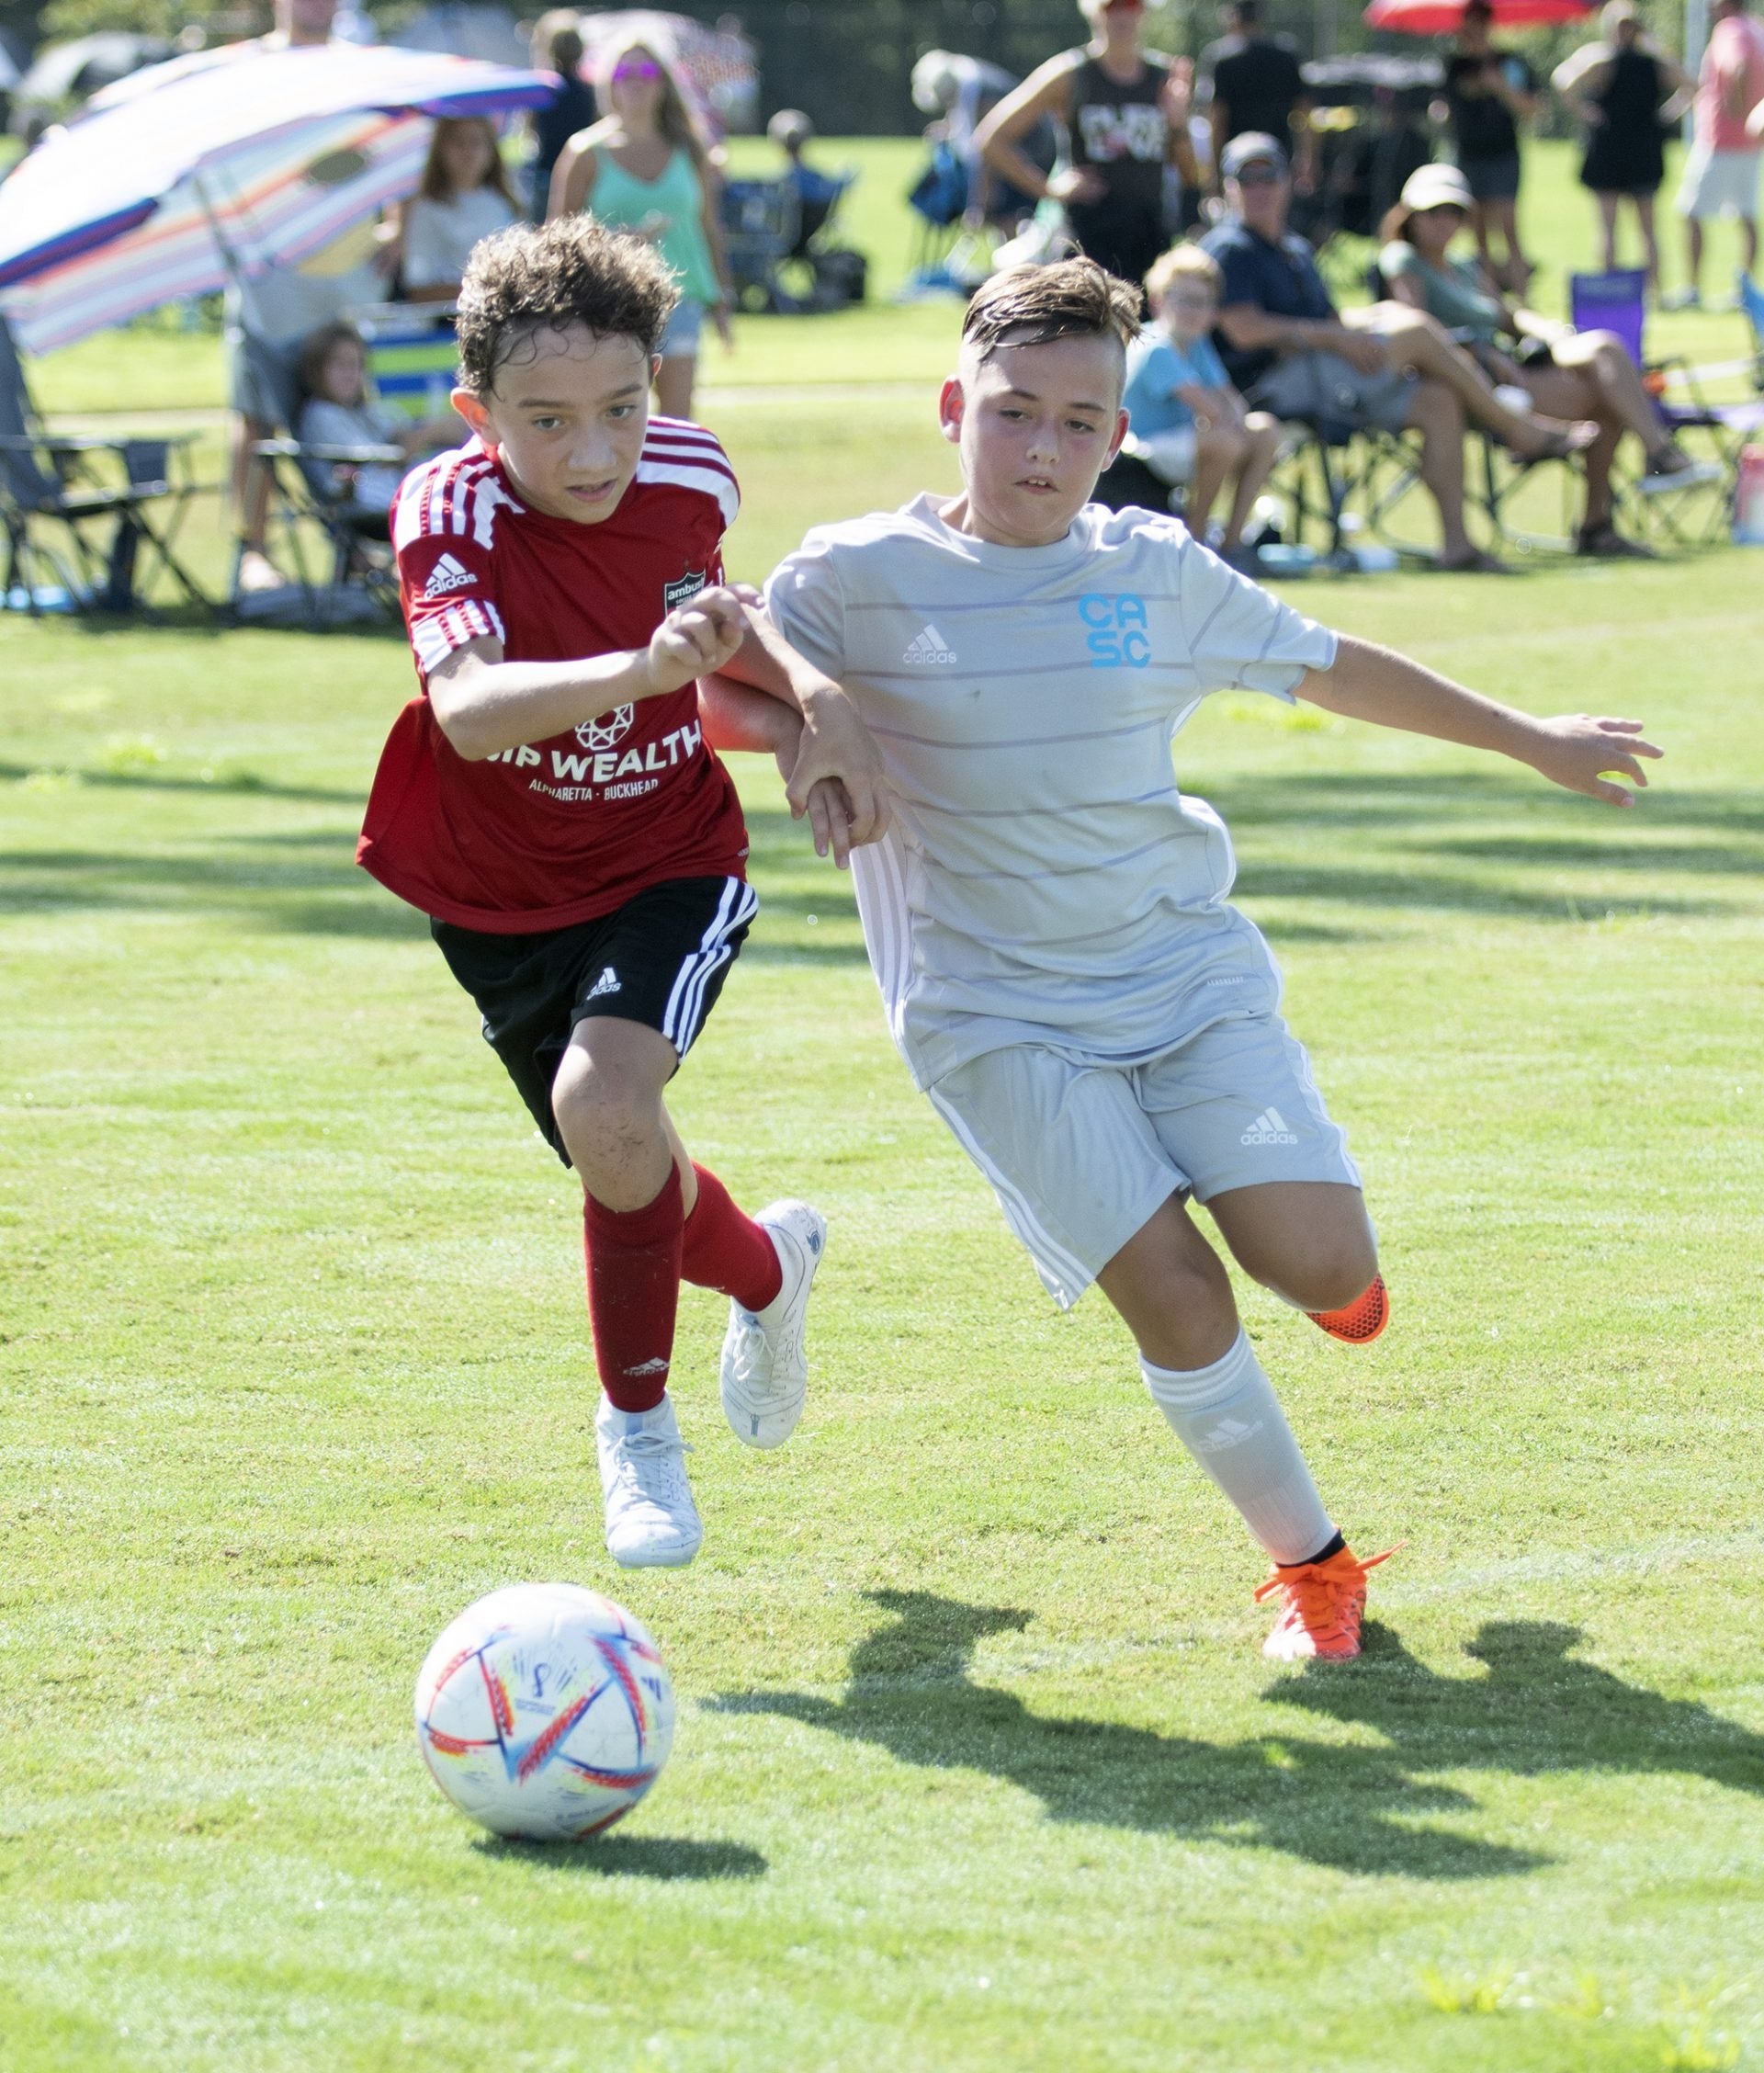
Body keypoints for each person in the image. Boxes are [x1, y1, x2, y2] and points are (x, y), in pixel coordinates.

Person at [762, 257, 1661, 1661]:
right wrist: (816, 713)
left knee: (1318, 1269)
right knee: (1177, 1293)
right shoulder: (850, 578)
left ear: (1120, 436)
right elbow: (717, 653)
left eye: (1078, 421)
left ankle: (1323, 1267)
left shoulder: (1153, 573)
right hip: (997, 1015)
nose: (1043, 448)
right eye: (1012, 413)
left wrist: (1532, 738)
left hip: (1182, 980)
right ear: (953, 407)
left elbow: (1328, 662)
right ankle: (1316, 1567)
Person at [356, 216, 889, 1570]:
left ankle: (637, 1433)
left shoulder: (691, 470)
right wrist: (641, 671)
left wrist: (810, 701)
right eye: (547, 422)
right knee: (624, 1166)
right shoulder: (449, 509)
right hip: (489, 893)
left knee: (605, 1104)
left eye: (623, 410)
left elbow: (716, 619)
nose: (594, 454)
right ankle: (772, 1273)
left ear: (662, 382)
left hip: (670, 858)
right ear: (478, 414)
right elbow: (470, 711)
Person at [1202, 133, 1595, 574]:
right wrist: (1336, 337)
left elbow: (1332, 317)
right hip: (1271, 386)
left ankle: (1456, 545)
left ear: (1288, 181)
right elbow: (1244, 330)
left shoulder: (1293, 249)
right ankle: (1513, 427)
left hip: (1326, 374)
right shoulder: (1229, 249)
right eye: (1246, 178)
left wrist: (1372, 318)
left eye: (1268, 176)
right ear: (1228, 187)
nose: (1259, 189)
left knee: (1437, 400)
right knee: (1416, 328)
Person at [1377, 162, 1716, 555]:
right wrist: (1478, 353)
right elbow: (1418, 331)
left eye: (1455, 212)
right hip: (1477, 382)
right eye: (1435, 212)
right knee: (1607, 394)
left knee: (1604, 351)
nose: (1446, 222)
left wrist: (1548, 331)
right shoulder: (1402, 260)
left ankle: (1633, 482)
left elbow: (1507, 314)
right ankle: (1637, 479)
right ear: (1412, 216)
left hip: (1511, 367)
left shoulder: (1463, 266)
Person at [547, 34, 734, 419]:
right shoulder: (585, 152)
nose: (636, 79)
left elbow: (708, 227)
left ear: (663, 82)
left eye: (646, 70)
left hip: (682, 296)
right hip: (609, 302)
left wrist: (722, 300)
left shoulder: (690, 149)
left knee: (678, 420)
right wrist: (612, 241)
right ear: (609, 83)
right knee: (620, 416)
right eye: (624, 71)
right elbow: (555, 239)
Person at [974, 0, 1202, 296]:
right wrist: (1049, 189)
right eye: (1111, 7)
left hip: (1149, 234)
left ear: (1144, 12)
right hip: (1087, 238)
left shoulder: (1166, 77)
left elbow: (1192, 176)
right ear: (1094, 12)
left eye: (1130, 5)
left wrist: (1178, 124)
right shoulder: (1072, 74)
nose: (1121, 15)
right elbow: (991, 138)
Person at [1118, 242, 1281, 561]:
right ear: (1158, 301)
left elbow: (1231, 402)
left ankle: (1232, 543)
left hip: (1178, 441)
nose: (1196, 311)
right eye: (1186, 301)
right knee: (1224, 441)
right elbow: (1211, 410)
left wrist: (1242, 426)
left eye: (1205, 303)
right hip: (1138, 449)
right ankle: (1196, 538)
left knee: (1265, 430)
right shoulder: (1157, 347)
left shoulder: (1198, 344)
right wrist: (1234, 424)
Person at [1553, 2, 1694, 300]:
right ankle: (1613, 288)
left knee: (1645, 227)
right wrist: (1586, 111)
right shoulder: (1602, 58)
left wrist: (1666, 116)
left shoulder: (1649, 59)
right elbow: (1564, 81)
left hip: (1635, 148)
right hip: (1616, 148)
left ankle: (1653, 293)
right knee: (1609, 226)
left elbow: (1690, 85)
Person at [293, 322, 455, 522]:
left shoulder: (361, 411)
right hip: (371, 500)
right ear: (317, 370)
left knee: (450, 429)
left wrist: (427, 432)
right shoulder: (322, 413)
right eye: (340, 365)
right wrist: (423, 437)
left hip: (395, 488)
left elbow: (396, 433)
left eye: (356, 365)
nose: (350, 374)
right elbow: (373, 458)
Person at [1668, 0, 1764, 308]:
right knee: (1746, 216)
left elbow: (1738, 64)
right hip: (1749, 140)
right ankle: (1744, 290)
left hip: (1721, 140)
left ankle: (1693, 289)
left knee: (1691, 212)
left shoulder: (1731, 30)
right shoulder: (1755, 28)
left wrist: (1735, 106)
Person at [1441, 0, 1538, 294]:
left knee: (1509, 230)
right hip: (1469, 155)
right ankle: (1489, 298)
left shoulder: (1510, 62)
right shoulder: (1455, 66)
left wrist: (1500, 86)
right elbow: (1446, 106)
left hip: (1503, 154)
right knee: (1478, 233)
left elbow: (1531, 108)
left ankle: (1521, 298)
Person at [394, 117, 521, 304]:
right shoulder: (427, 209)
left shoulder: (505, 204)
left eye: (476, 142)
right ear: (441, 150)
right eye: (458, 142)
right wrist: (486, 288)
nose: (468, 152)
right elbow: (418, 287)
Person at [1202, 0, 1316, 196]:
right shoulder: (1286, 55)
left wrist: (1214, 172)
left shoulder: (1223, 60)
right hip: (1278, 156)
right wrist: (1307, 158)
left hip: (1238, 160)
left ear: (1232, 19)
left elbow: (1217, 118)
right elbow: (1304, 112)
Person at [526, 11, 598, 221]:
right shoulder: (589, 92)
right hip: (582, 176)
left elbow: (530, 130)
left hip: (546, 173)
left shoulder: (543, 89)